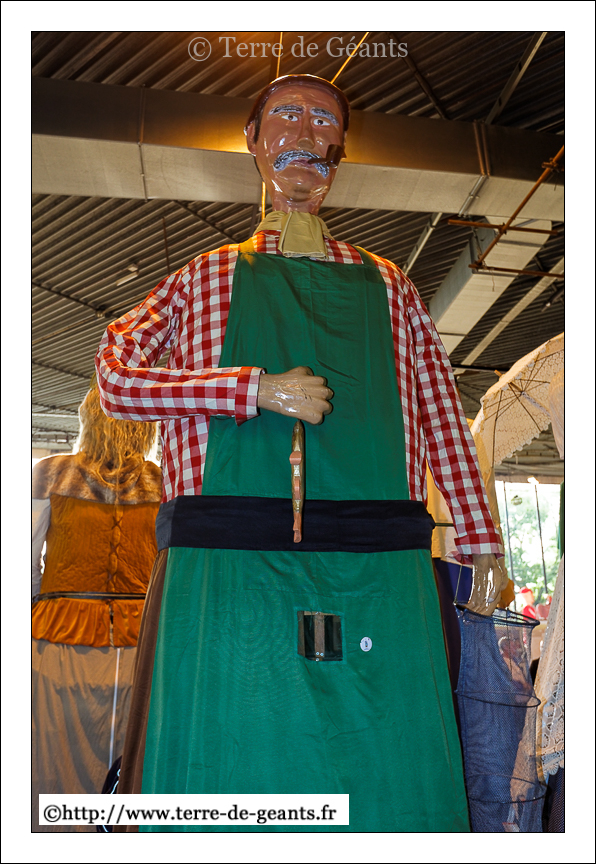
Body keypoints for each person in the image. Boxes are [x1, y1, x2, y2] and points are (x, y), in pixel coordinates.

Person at [96, 74, 506, 833]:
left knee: (383, 761)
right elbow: (116, 378)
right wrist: (251, 388)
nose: (308, 132)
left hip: (378, 564)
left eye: (325, 121)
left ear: (339, 151)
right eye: (287, 114)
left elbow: (441, 414)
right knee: (229, 753)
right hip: (226, 566)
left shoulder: (394, 287)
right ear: (253, 142)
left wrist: (481, 539)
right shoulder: (203, 276)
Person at [32, 383, 161, 832]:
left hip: (58, 639)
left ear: (88, 421)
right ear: (144, 427)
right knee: (131, 747)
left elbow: (25, 561)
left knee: (55, 749)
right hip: (141, 644)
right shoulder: (164, 483)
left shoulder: (49, 474)